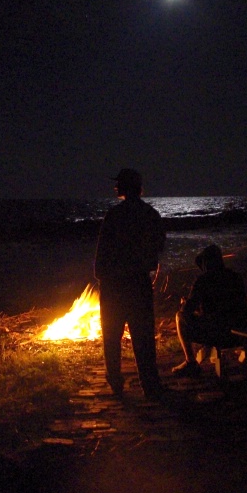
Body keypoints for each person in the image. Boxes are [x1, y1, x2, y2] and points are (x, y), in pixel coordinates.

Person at [94, 169, 166, 399]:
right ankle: (149, 383)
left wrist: (101, 274)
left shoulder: (114, 215)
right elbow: (158, 246)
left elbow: (103, 249)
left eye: (118, 185)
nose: (115, 188)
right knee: (143, 335)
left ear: (124, 188)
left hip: (114, 284)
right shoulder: (150, 214)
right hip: (138, 283)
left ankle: (115, 381)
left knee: (112, 335)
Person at [172, 244, 247, 378]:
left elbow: (187, 309)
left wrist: (186, 303)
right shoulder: (235, 277)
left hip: (215, 333)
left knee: (180, 316)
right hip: (238, 334)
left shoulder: (203, 281)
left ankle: (190, 362)